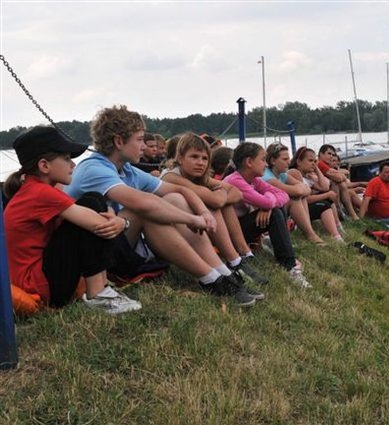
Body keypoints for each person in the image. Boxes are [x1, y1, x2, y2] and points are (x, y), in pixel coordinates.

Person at [66, 105, 258, 307]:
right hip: (88, 255)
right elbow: (144, 204)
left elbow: (180, 190)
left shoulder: (126, 169)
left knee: (175, 199)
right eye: (140, 139)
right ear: (119, 141)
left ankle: (223, 273)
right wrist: (192, 219)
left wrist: (203, 212)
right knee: (145, 212)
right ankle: (211, 278)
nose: (143, 146)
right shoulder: (94, 168)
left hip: (114, 240)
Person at [3, 126, 141, 314]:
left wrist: (110, 214)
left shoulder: (34, 188)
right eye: (67, 158)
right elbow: (98, 224)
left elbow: (88, 213)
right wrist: (122, 222)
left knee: (93, 200)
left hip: (43, 279)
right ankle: (98, 294)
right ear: (44, 166)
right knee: (91, 204)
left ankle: (102, 288)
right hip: (40, 287)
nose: (73, 165)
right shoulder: (39, 192)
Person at [160, 132, 268, 286]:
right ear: (180, 158)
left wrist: (220, 196)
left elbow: (237, 193)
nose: (200, 163)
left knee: (223, 203)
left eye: (205, 158)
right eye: (194, 157)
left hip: (196, 228)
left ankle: (240, 257)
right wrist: (221, 194)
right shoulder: (171, 177)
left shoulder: (198, 177)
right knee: (214, 204)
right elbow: (216, 200)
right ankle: (234, 260)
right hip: (171, 233)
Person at [224, 142, 312, 288]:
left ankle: (286, 255)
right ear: (249, 162)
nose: (266, 164)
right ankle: (290, 265)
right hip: (230, 234)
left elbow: (283, 196)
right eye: (263, 159)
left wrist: (267, 205)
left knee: (275, 209)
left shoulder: (254, 180)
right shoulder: (235, 181)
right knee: (274, 211)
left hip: (241, 226)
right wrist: (268, 204)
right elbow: (267, 201)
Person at [263, 143, 342, 244]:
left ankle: (320, 233)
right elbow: (300, 191)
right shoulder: (270, 177)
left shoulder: (282, 175)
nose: (288, 162)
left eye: (289, 158)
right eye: (285, 159)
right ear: (273, 161)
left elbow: (308, 189)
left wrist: (302, 187)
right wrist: (301, 189)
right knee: (297, 199)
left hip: (279, 211)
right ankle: (312, 234)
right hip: (268, 214)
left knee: (313, 199)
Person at [288, 146, 345, 239]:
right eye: (310, 161)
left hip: (305, 208)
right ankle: (337, 236)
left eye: (315, 161)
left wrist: (317, 169)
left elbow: (325, 187)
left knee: (328, 200)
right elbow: (305, 199)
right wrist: (327, 194)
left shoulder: (307, 176)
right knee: (324, 205)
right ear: (299, 162)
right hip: (297, 212)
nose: (313, 164)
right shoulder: (294, 173)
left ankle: (339, 228)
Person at [317, 144, 360, 219]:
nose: (331, 156)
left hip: (328, 190)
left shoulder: (326, 165)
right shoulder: (320, 164)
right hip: (321, 192)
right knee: (341, 184)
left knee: (346, 188)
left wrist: (339, 173)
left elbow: (343, 176)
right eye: (329, 153)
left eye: (332, 154)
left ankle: (353, 213)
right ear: (321, 154)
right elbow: (339, 178)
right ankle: (351, 213)